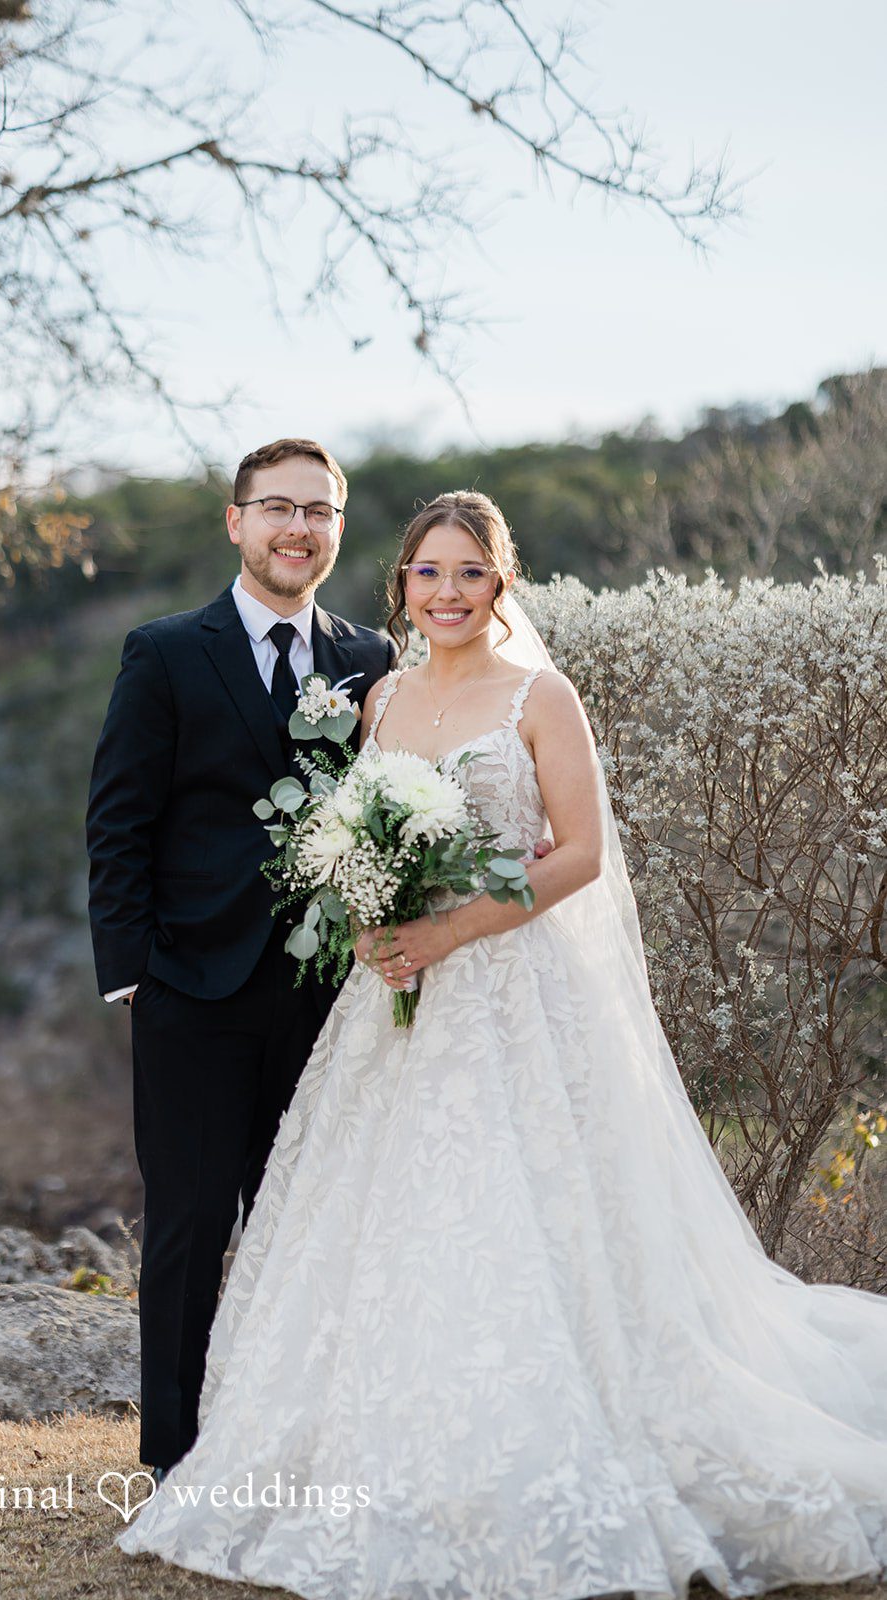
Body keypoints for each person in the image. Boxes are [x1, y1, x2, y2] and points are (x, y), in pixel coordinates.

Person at [115, 490, 887, 1599]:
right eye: (428, 572)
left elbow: (578, 853)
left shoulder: (540, 695)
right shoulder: (378, 699)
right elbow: (356, 843)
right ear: (402, 585)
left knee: (527, 1216)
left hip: (516, 993)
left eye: (469, 572)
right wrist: (370, 916)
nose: (447, 592)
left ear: (500, 583)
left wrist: (450, 929)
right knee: (393, 1221)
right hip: (394, 1005)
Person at [85, 438, 395, 1479]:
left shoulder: (371, 659)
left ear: (337, 528)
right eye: (277, 507)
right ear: (236, 521)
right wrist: (133, 974)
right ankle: (174, 1460)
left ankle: (285, 1444)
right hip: (189, 988)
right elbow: (118, 823)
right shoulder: (165, 652)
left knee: (302, 1223)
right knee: (186, 1227)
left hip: (328, 996)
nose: (297, 528)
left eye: (318, 511)